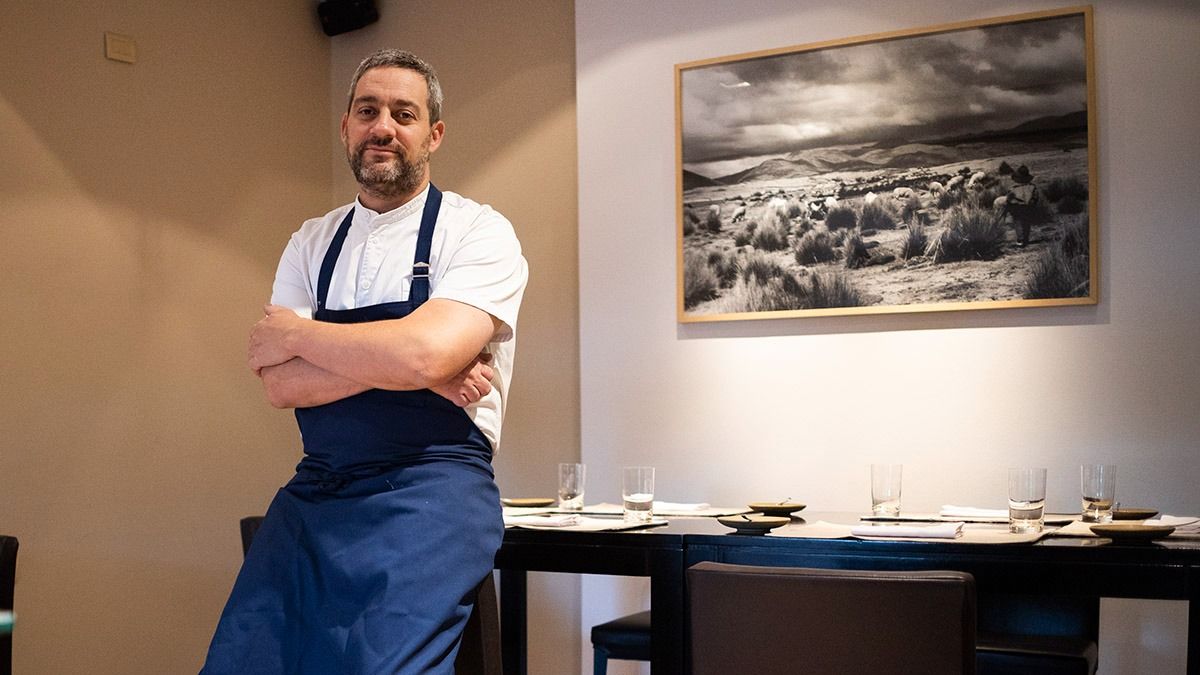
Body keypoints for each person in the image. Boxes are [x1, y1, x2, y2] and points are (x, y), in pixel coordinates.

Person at [201, 48, 528, 674]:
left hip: (433, 492)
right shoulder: (311, 241)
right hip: (319, 488)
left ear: (433, 134)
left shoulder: (479, 231)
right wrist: (413, 364)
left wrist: (305, 335)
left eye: (404, 114)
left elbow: (423, 352)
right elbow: (279, 383)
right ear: (346, 127)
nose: (384, 126)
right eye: (367, 110)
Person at [1003, 165, 1041, 247]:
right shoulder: (1032, 187)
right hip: (1028, 207)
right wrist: (1032, 203)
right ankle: (1026, 239)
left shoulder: (1013, 188)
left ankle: (1020, 239)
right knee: (1027, 223)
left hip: (1017, 207)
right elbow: (1036, 197)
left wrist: (1010, 206)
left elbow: (1009, 198)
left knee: (1018, 222)